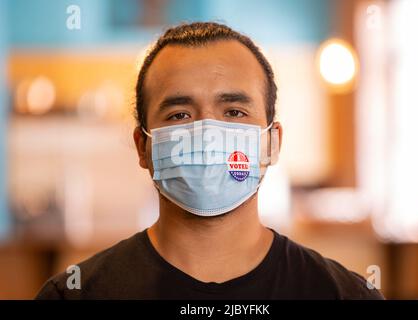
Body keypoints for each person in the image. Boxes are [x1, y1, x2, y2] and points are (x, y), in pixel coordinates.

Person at [36, 22, 383, 300]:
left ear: (272, 142)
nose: (206, 132)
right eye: (179, 114)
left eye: (234, 111)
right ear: (143, 147)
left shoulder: (344, 294)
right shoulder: (75, 295)